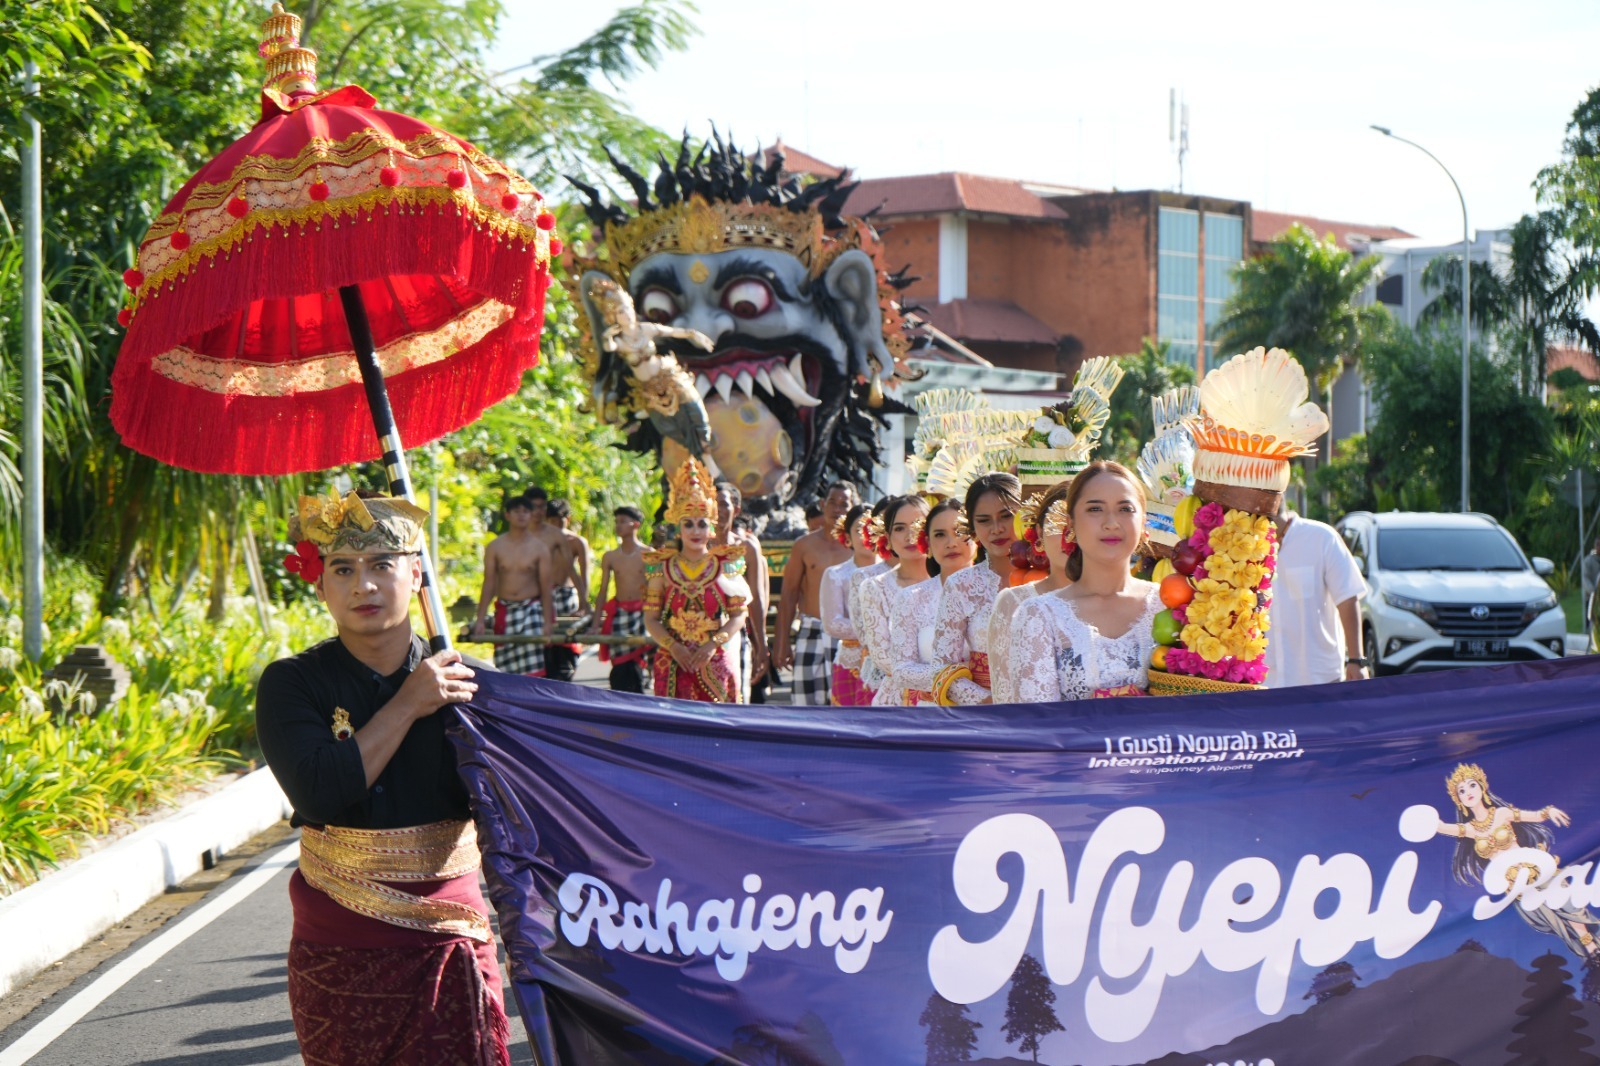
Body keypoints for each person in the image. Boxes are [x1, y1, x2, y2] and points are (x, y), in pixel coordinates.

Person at [256, 492, 510, 1065]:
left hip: (452, 933)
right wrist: (409, 703)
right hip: (340, 946)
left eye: (381, 566)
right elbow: (321, 792)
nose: (362, 586)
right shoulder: (293, 684)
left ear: (416, 573)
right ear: (320, 584)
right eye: (342, 569)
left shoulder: (472, 687)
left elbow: (521, 815)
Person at [1010, 461, 1163, 702]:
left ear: (1144, 522)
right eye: (1094, 509)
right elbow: (1036, 726)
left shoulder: (1171, 605)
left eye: (1125, 509)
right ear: (1070, 524)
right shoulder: (1039, 615)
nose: (1111, 522)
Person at [1428, 763, 1597, 958]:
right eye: (1462, 791)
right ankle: (1587, 959)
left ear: (1482, 787)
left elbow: (1534, 816)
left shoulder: (1501, 814)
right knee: (1553, 922)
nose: (1468, 792)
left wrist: (1548, 812)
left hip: (1535, 868)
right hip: (1515, 886)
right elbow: (1441, 827)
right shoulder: (1471, 830)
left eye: (1472, 785)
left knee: (1569, 909)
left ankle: (1592, 948)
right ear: (1459, 800)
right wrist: (1425, 822)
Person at [643, 458, 751, 703]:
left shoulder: (725, 563)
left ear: (711, 528)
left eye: (701, 524)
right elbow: (650, 618)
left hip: (714, 656)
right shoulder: (662, 567)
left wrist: (713, 644)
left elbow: (739, 615)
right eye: (688, 524)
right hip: (672, 659)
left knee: (720, 728)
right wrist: (673, 646)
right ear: (678, 528)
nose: (694, 531)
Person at [932, 473, 1021, 705]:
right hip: (987, 716)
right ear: (971, 526)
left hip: (1050, 711)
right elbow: (942, 666)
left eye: (1007, 516)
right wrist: (988, 702)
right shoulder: (961, 585)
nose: (996, 528)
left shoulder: (1056, 576)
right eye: (984, 520)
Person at [1263, 498, 1368, 687]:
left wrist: (1356, 660)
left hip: (1319, 678)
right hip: (1264, 682)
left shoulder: (1322, 538)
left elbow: (1347, 598)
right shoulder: (1243, 546)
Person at [988, 483, 1074, 704]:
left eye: (1076, 524)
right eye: (1057, 524)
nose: (1068, 536)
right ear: (1038, 534)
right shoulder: (1012, 604)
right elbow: (1005, 701)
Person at [774, 482, 857, 704]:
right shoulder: (804, 545)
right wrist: (781, 642)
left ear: (852, 507)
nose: (837, 509)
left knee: (842, 702)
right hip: (810, 629)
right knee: (803, 703)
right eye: (832, 502)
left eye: (844, 504)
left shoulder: (859, 548)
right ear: (822, 504)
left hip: (846, 635)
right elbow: (789, 594)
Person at [863, 494, 940, 706]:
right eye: (899, 528)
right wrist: (948, 679)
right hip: (901, 699)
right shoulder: (875, 588)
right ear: (886, 537)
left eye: (917, 525)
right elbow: (883, 658)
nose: (909, 536)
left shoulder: (953, 581)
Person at [471, 493, 557, 676]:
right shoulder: (495, 546)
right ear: (508, 515)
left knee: (533, 671)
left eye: (526, 511)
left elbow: (546, 586)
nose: (522, 515)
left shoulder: (539, 548)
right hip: (505, 610)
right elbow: (489, 583)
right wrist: (480, 618)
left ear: (531, 515)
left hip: (532, 611)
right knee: (505, 671)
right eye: (517, 511)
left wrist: (548, 621)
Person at [714, 481, 770, 702]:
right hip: (697, 635)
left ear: (735, 510)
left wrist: (761, 646)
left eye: (723, 504)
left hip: (736, 635)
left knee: (736, 701)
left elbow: (755, 601)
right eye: (712, 503)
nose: (717, 510)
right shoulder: (694, 546)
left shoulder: (747, 548)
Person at [590, 505, 652, 693]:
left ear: (635, 525)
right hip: (619, 614)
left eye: (622, 521)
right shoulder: (610, 556)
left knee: (637, 664)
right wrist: (595, 624)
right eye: (617, 521)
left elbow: (656, 590)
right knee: (619, 664)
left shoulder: (649, 553)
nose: (618, 525)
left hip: (642, 614)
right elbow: (603, 591)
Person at [820, 503, 876, 706]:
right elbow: (833, 624)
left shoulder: (899, 574)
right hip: (851, 659)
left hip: (890, 663)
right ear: (848, 535)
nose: (865, 534)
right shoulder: (836, 575)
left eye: (871, 527)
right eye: (858, 529)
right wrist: (878, 632)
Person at [541, 498, 589, 683]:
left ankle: (565, 675)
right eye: (551, 521)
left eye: (559, 521)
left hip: (567, 595)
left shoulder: (577, 542)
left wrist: (584, 604)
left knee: (567, 639)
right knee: (544, 644)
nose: (555, 526)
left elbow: (584, 575)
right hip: (543, 596)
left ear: (567, 519)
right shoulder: (539, 540)